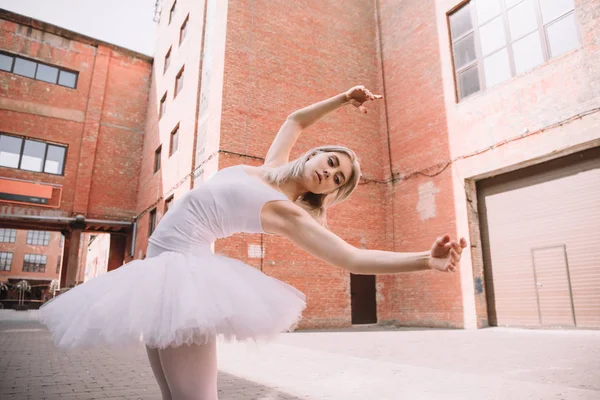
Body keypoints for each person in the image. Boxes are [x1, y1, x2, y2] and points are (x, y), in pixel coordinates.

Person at [39, 85, 467, 400]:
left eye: (338, 179)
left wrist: (425, 261)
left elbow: (351, 257)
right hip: (160, 272)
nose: (329, 173)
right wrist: (343, 99)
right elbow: (294, 120)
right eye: (331, 162)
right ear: (315, 153)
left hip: (182, 279)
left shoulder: (287, 210)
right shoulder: (271, 169)